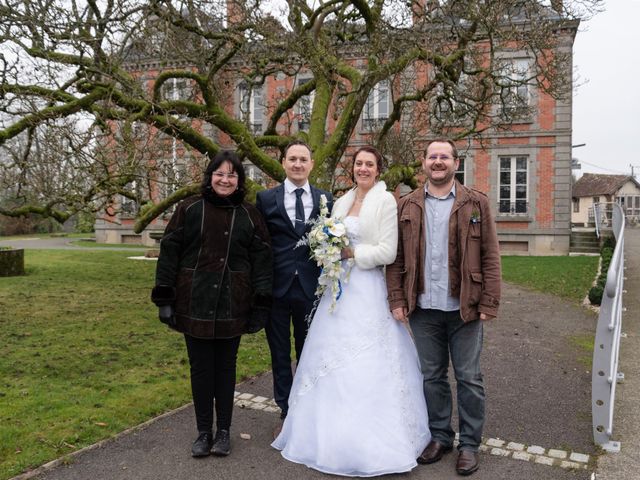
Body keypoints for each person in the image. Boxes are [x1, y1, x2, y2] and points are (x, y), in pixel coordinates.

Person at [272, 146, 431, 476]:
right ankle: (324, 430)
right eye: (358, 163)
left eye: (369, 164)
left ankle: (372, 436)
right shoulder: (341, 201)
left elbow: (388, 251)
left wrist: (350, 252)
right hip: (337, 288)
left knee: (368, 361)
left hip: (368, 288)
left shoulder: (385, 201)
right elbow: (328, 236)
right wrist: (327, 249)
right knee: (327, 357)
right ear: (352, 168)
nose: (363, 169)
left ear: (378, 170)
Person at [386, 138, 501, 476]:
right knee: (431, 376)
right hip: (423, 309)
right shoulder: (406, 205)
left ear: (455, 162)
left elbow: (491, 256)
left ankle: (469, 444)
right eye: (432, 156)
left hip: (464, 307)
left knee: (469, 378)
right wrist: (397, 300)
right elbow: (395, 261)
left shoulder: (475, 203)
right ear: (424, 162)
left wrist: (489, 302)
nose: (438, 162)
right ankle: (440, 436)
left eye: (444, 157)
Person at [151, 151, 272, 458]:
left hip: (234, 303)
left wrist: (260, 303)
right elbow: (169, 252)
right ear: (210, 176)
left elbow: (262, 259)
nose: (225, 180)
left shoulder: (249, 214)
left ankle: (223, 432)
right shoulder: (189, 208)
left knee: (226, 369)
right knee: (201, 370)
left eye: (232, 175)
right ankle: (203, 431)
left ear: (239, 180)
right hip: (195, 302)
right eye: (220, 173)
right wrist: (165, 298)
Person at [255, 140, 333, 421]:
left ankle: (306, 404)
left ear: (311, 164)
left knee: (308, 351)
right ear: (284, 163)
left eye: (303, 159)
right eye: (292, 159)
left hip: (311, 288)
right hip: (277, 288)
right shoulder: (266, 199)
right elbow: (260, 244)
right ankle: (286, 410)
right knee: (279, 353)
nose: (298, 164)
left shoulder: (326, 199)